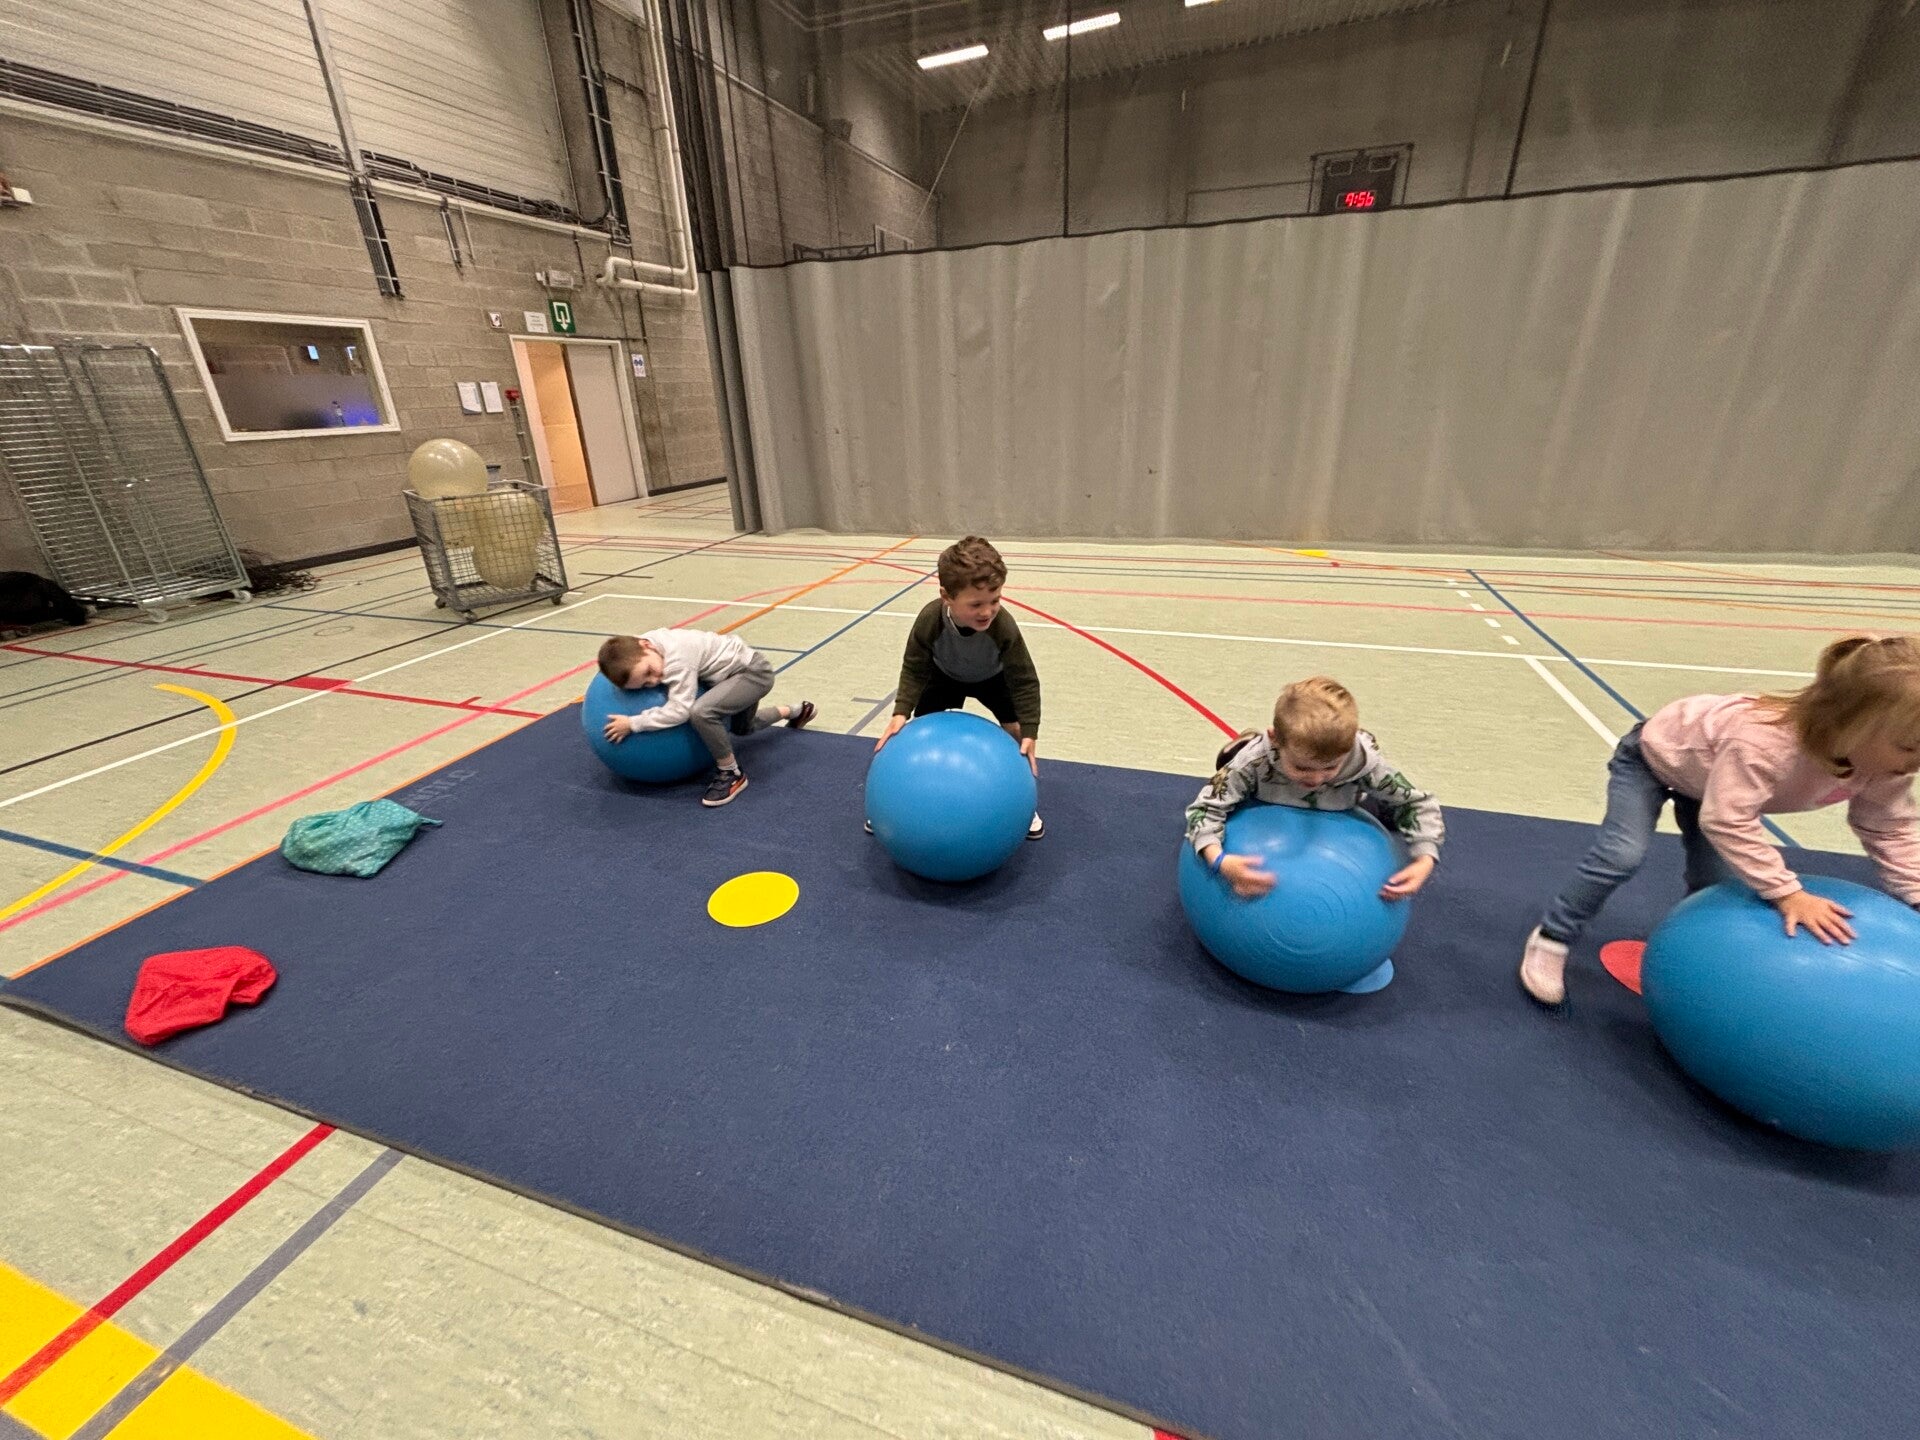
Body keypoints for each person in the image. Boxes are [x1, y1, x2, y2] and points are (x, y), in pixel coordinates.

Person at [1518, 634, 1920, 1006]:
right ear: (1850, 725)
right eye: (1910, 746)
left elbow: (1890, 829)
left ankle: (1691, 957)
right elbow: (1728, 822)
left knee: (1715, 883)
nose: (1917, 761)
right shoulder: (1766, 746)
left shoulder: (1886, 767)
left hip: (1714, 784)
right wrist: (1787, 893)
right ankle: (1553, 936)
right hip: (1654, 760)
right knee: (1621, 854)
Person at [1185, 676, 1443, 900]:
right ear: (1275, 740)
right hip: (1265, 791)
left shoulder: (1365, 764)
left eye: (1330, 767)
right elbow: (1205, 809)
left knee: (1388, 811)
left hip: (1346, 797)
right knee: (1232, 780)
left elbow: (1416, 803)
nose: (1317, 778)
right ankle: (1242, 747)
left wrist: (1424, 859)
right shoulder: (1254, 763)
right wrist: (1218, 860)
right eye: (1303, 768)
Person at [874, 535, 1045, 839]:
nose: (987, 612)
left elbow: (1024, 679)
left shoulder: (1003, 627)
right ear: (947, 596)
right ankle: (894, 806)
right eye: (976, 604)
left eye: (995, 600)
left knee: (1017, 735)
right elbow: (914, 667)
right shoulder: (930, 620)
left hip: (993, 678)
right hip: (944, 676)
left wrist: (1030, 731)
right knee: (920, 732)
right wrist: (901, 711)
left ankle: (1021, 804)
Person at [597, 630, 814, 807]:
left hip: (751, 674)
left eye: (649, 672)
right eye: (645, 684)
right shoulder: (642, 648)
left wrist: (633, 723)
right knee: (742, 727)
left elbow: (680, 711)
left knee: (701, 713)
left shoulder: (676, 659)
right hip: (731, 675)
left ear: (646, 645)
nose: (655, 681)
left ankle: (731, 773)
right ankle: (797, 711)